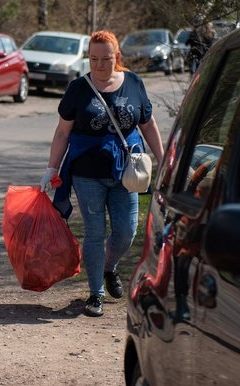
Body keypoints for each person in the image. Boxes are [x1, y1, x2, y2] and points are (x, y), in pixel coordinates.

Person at [39, 30, 164, 317]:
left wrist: (164, 160)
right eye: (93, 59)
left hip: (128, 172)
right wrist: (51, 168)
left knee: (126, 231)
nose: (99, 65)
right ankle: (95, 294)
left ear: (117, 57)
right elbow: (62, 132)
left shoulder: (133, 83)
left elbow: (148, 125)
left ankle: (109, 267)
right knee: (95, 232)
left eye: (106, 59)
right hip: (87, 173)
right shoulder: (77, 89)